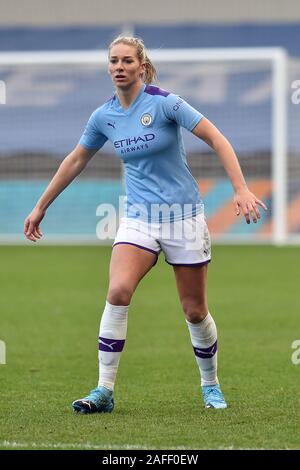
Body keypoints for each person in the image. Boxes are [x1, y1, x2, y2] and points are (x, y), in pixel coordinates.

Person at [24, 35, 267, 413]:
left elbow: (216, 137)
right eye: (113, 61)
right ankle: (104, 390)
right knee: (118, 290)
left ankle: (210, 385)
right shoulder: (103, 116)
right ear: (108, 67)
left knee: (194, 310)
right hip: (138, 219)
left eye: (126, 61)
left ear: (141, 66)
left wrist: (240, 189)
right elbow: (75, 160)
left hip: (184, 218)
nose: (119, 67)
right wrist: (41, 206)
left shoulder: (166, 103)